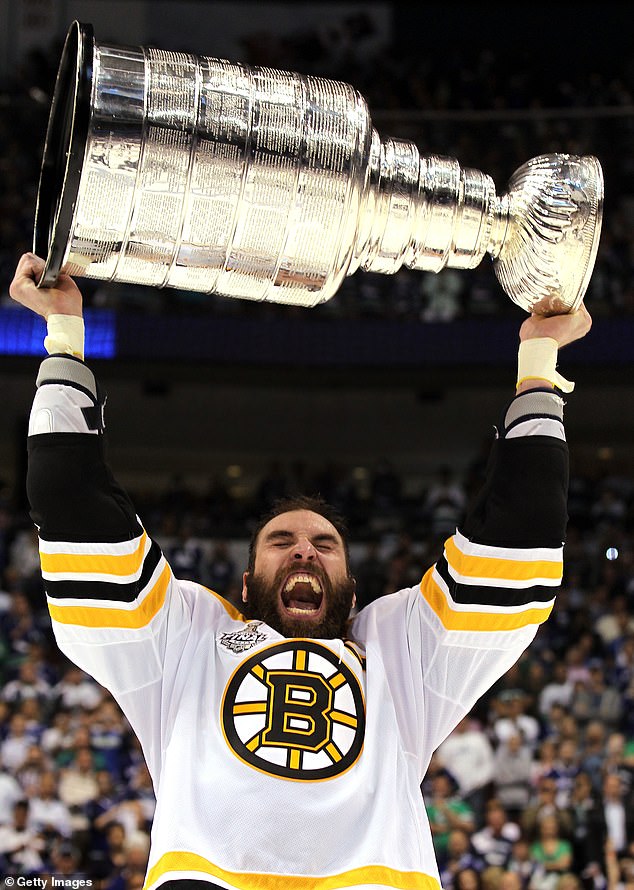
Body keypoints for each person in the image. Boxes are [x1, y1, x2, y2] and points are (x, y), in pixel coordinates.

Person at [10, 251, 592, 890]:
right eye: (280, 540)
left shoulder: (398, 653)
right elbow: (74, 507)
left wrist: (539, 364)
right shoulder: (187, 641)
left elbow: (517, 537)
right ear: (245, 585)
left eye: (325, 544)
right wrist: (64, 337)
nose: (304, 550)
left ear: (351, 587)